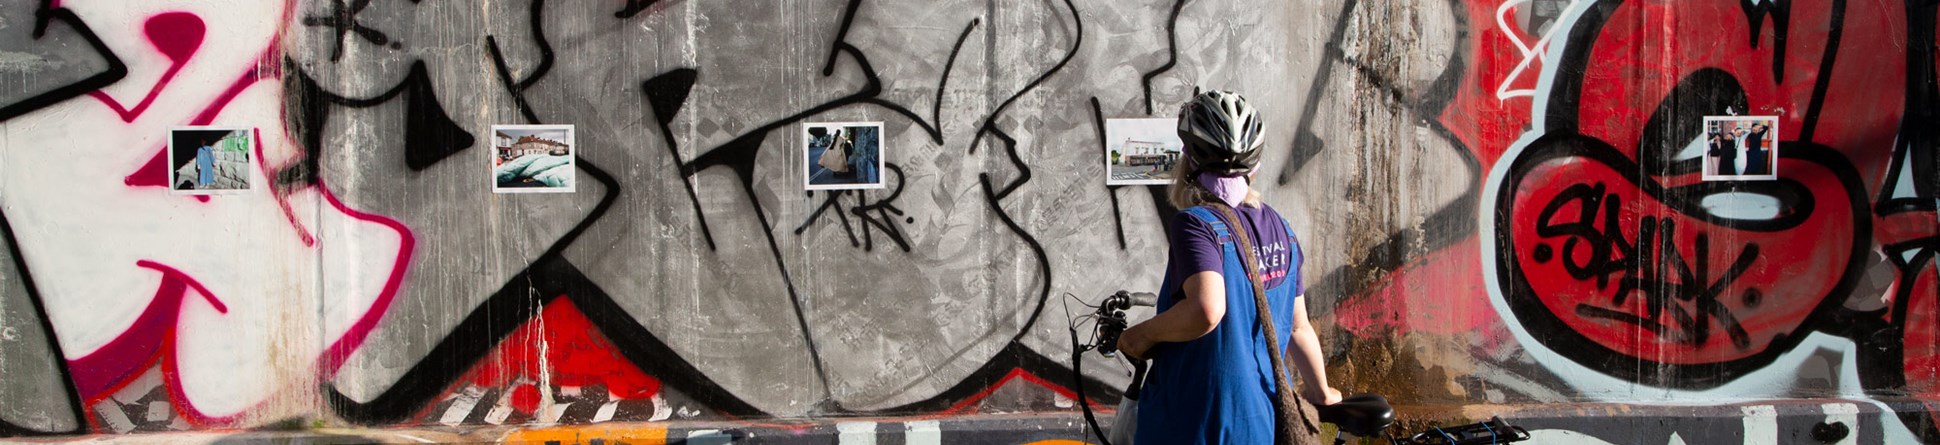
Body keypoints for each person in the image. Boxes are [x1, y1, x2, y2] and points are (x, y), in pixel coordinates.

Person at [1118, 90, 1342, 444]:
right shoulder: (1282, 229)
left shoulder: (1196, 223)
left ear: (1187, 161)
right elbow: (1299, 328)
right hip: (1265, 418)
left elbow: (1206, 310)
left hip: (1198, 420)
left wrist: (1139, 336)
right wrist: (1324, 392)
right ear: (1255, 167)